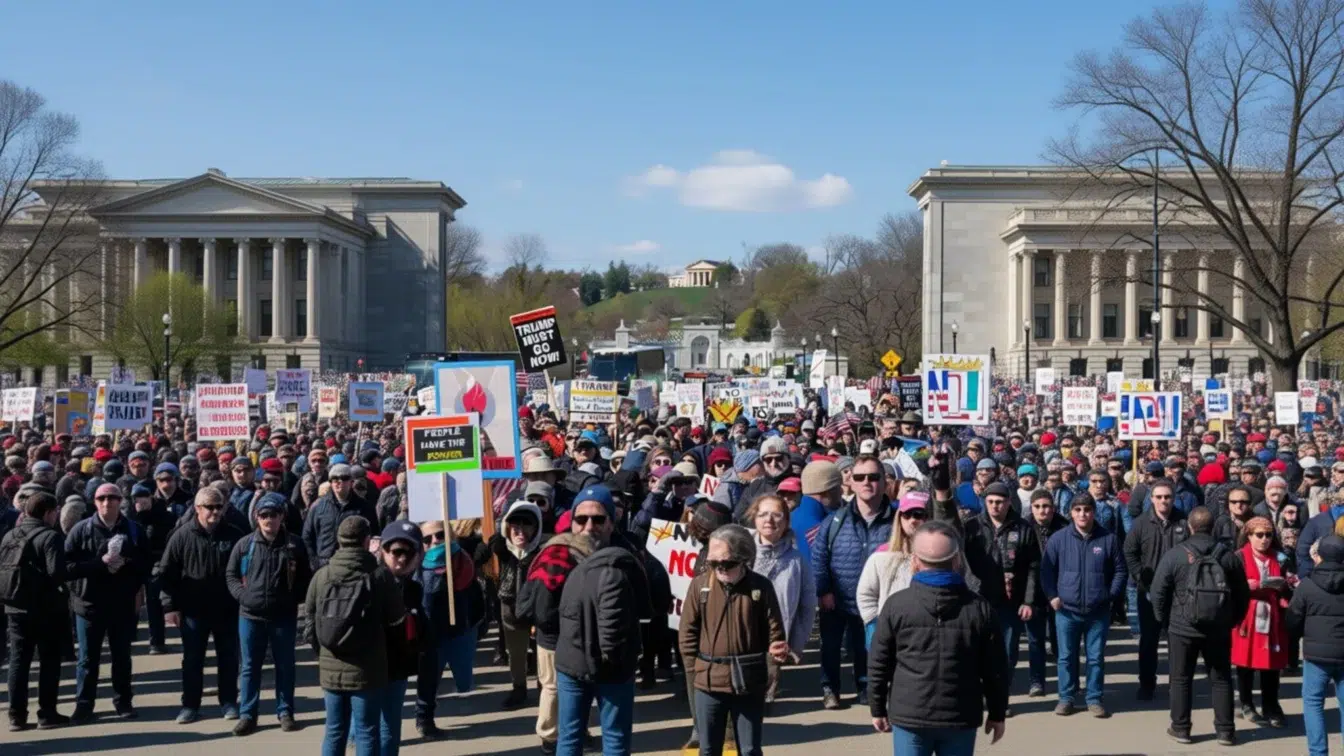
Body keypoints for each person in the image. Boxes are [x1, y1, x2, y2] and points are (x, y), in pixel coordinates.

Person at [868, 520, 1008, 755]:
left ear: (914, 562)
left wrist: (877, 708)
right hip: (960, 715)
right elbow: (995, 669)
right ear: (957, 561)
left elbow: (879, 663)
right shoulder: (979, 608)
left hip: (910, 714)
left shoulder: (896, 605)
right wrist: (997, 713)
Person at [554, 484, 650, 756]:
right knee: (570, 738)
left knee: (615, 740)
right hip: (571, 665)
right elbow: (541, 609)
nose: (589, 526)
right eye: (581, 519)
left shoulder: (631, 555)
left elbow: (651, 602)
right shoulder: (557, 554)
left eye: (598, 519)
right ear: (571, 521)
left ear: (611, 521)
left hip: (615, 667)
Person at [679, 524, 789, 756]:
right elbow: (687, 634)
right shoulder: (700, 587)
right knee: (708, 750)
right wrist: (694, 671)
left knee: (749, 750)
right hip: (707, 683)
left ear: (743, 560)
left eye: (726, 563)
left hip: (748, 683)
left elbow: (775, 634)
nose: (719, 568)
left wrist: (771, 667)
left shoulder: (761, 587)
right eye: (713, 562)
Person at [305, 516, 406, 756]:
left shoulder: (322, 576)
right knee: (366, 730)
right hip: (368, 668)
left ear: (339, 541)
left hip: (331, 667)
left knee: (334, 730)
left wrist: (323, 652)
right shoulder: (380, 576)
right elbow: (397, 621)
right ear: (366, 541)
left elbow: (309, 621)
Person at [1150, 506, 1247, 746]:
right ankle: (1225, 730)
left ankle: (1181, 728)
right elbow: (1243, 593)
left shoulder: (1176, 554)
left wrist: (1164, 620)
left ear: (1190, 527)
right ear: (1213, 527)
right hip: (1218, 628)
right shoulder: (1227, 555)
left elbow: (1158, 591)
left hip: (1182, 627)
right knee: (1221, 678)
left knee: (1181, 678)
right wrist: (1232, 619)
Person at [156, 486, 248, 724]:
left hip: (227, 609)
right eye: (210, 507)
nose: (215, 511)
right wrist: (170, 607)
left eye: (219, 506)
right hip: (192, 611)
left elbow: (245, 570)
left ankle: (228, 701)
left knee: (228, 658)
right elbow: (166, 573)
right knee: (193, 660)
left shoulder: (235, 535)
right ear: (197, 509)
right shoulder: (182, 535)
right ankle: (190, 705)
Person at [226, 491, 312, 736]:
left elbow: (306, 578)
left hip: (283, 617)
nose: (269, 520)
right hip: (250, 616)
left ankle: (285, 711)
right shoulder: (244, 545)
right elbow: (231, 575)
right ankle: (247, 714)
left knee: (285, 666)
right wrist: (244, 597)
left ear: (282, 516)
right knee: (250, 667)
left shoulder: (294, 545)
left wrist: (293, 601)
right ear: (256, 517)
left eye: (273, 515)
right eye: (264, 515)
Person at [811, 455, 894, 710]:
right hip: (837, 597)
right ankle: (830, 689)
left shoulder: (898, 520)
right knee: (831, 648)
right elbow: (819, 556)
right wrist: (823, 590)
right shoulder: (835, 520)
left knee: (867, 648)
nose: (866, 482)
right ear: (851, 483)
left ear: (884, 482)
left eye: (873, 477)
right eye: (859, 477)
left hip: (877, 601)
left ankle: (866, 688)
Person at [65, 482, 152, 722]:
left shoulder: (134, 530)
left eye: (112, 498)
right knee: (87, 658)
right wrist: (99, 564)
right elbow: (67, 568)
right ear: (94, 502)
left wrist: (126, 562)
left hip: (121, 604)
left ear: (120, 501)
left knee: (121, 656)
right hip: (89, 605)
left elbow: (146, 565)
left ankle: (123, 701)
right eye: (102, 498)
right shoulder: (81, 530)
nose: (107, 502)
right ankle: (84, 704)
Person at [516, 520, 599, 755]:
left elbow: (527, 604)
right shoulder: (574, 558)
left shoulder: (546, 554)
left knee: (553, 687)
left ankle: (555, 734)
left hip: (549, 635)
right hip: (568, 634)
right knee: (567, 687)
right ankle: (560, 734)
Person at [1040, 494, 1127, 717]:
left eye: (1086, 510)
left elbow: (1120, 570)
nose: (1082, 514)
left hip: (1098, 611)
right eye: (1077, 509)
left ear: (1093, 512)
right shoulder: (1059, 539)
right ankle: (1066, 698)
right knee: (1066, 657)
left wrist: (1110, 596)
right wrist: (1052, 596)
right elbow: (1047, 571)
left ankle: (1094, 698)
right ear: (1071, 512)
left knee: (1095, 658)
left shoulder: (1108, 539)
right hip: (1066, 611)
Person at [961, 480, 1038, 709]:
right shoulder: (971, 527)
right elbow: (962, 563)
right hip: (977, 599)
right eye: (991, 501)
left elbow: (1034, 567)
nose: (995, 506)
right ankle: (977, 696)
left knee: (1006, 654)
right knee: (974, 651)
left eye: (1000, 502)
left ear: (1008, 503)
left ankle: (999, 699)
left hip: (1010, 602)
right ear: (985, 502)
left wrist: (1028, 600)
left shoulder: (1023, 528)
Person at [2, 490, 69, 731]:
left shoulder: (10, 534)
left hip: (14, 606)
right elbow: (57, 573)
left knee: (18, 661)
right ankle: (47, 713)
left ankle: (16, 716)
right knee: (49, 661)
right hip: (45, 608)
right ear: (49, 513)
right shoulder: (50, 536)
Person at [413, 519, 482, 738]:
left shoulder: (463, 560)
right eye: (427, 539)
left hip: (460, 630)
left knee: (464, 680)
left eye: (440, 535)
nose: (435, 541)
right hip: (430, 635)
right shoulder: (417, 566)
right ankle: (424, 718)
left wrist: (477, 623)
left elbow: (476, 596)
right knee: (428, 679)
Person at [1122, 478, 1189, 700]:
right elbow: (1129, 552)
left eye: (1167, 497)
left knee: (1176, 641)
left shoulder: (1183, 521)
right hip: (1149, 592)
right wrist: (1140, 575)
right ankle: (1147, 684)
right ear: (1151, 499)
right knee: (1149, 640)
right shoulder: (1141, 523)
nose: (1163, 501)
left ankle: (1176, 684)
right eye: (1158, 497)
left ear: (1173, 498)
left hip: (1178, 593)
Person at [746, 494, 816, 704]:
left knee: (765, 699)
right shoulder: (742, 552)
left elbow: (807, 603)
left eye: (777, 515)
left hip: (775, 638)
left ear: (786, 522)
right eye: (763, 514)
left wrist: (797, 642)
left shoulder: (797, 560)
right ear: (755, 518)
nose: (769, 520)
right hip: (742, 635)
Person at [1287, 534, 1344, 756]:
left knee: (1312, 703)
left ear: (1319, 556)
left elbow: (1292, 620)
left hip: (1316, 655)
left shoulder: (1307, 586)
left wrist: (1301, 636)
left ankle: (1318, 752)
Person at [1231, 515, 1290, 727]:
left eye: (1268, 535)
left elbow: (1291, 583)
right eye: (1259, 535)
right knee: (1245, 662)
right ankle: (1246, 702)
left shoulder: (1280, 558)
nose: (1264, 539)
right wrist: (1245, 587)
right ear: (1248, 536)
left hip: (1272, 615)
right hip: (1247, 616)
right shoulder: (1238, 558)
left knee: (1271, 664)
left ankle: (1271, 704)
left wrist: (1284, 587)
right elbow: (1227, 586)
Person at [377, 520, 427, 756]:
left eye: (410, 552)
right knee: (367, 727)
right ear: (383, 552)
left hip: (397, 668)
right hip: (369, 667)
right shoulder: (371, 582)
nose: (403, 558)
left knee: (390, 725)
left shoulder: (416, 588)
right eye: (397, 551)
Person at [490, 500, 546, 709]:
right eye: (515, 525)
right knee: (516, 652)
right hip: (510, 607)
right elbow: (494, 541)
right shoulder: (503, 548)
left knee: (542, 652)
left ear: (536, 527)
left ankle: (544, 690)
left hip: (537, 609)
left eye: (527, 524)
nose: (520, 530)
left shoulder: (541, 551)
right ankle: (519, 688)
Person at [857, 492, 926, 643]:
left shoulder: (938, 559)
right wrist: (874, 625)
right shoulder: (882, 556)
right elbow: (866, 594)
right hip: (888, 634)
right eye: (907, 514)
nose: (913, 520)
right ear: (898, 518)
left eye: (919, 514)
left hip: (924, 636)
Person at [1025, 489, 1067, 696]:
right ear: (1031, 508)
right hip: (1033, 592)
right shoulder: (1023, 527)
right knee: (1035, 640)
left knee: (1061, 639)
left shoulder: (1065, 527)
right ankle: (1037, 681)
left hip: (1060, 591)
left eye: (1047, 506)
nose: (1043, 511)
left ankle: (1066, 682)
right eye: (1038, 506)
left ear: (1054, 508)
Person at [303, 463, 378, 570]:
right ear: (330, 482)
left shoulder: (365, 507)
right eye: (335, 479)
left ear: (351, 482)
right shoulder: (318, 506)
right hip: (324, 566)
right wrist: (314, 561)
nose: (339, 482)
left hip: (354, 566)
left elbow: (374, 537)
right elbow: (307, 536)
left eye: (344, 478)